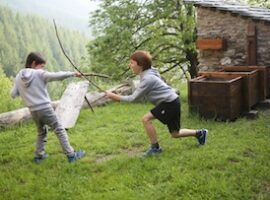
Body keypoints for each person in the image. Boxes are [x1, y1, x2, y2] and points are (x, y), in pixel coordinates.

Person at [106, 50, 208, 157]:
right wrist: (117, 95)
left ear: (140, 64)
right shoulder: (149, 72)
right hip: (172, 101)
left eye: (132, 62)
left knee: (146, 119)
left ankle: (155, 148)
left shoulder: (147, 78)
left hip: (169, 103)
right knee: (175, 133)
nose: (129, 65)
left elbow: (133, 98)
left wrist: (114, 96)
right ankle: (200, 133)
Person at [11, 52, 85, 163]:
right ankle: (71, 155)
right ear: (34, 63)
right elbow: (55, 76)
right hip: (45, 108)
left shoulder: (18, 77)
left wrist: (25, 91)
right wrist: (72, 74)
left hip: (33, 110)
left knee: (41, 132)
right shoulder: (39, 74)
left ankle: (39, 156)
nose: (42, 69)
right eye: (42, 66)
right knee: (59, 129)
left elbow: (13, 94)